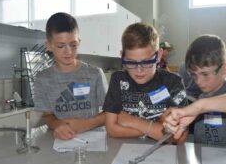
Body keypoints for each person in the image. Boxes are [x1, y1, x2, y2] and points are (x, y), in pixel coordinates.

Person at [163, 34, 226, 149]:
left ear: (225, 67)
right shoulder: (202, 97)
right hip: (204, 162)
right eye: (193, 75)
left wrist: (200, 106)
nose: (198, 81)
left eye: (205, 74)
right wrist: (179, 127)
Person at [103, 22, 188, 142]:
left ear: (159, 55)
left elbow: (179, 137)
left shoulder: (173, 83)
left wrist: (133, 121)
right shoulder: (118, 80)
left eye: (147, 62)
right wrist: (156, 128)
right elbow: (111, 129)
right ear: (122, 56)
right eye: (131, 62)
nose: (139, 70)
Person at [34, 12, 108, 140]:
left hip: (95, 140)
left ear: (79, 42)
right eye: (61, 46)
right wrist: (57, 125)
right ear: (49, 46)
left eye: (73, 45)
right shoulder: (42, 78)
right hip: (62, 141)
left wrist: (86, 124)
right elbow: (48, 115)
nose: (68, 51)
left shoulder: (95, 74)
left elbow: (110, 113)